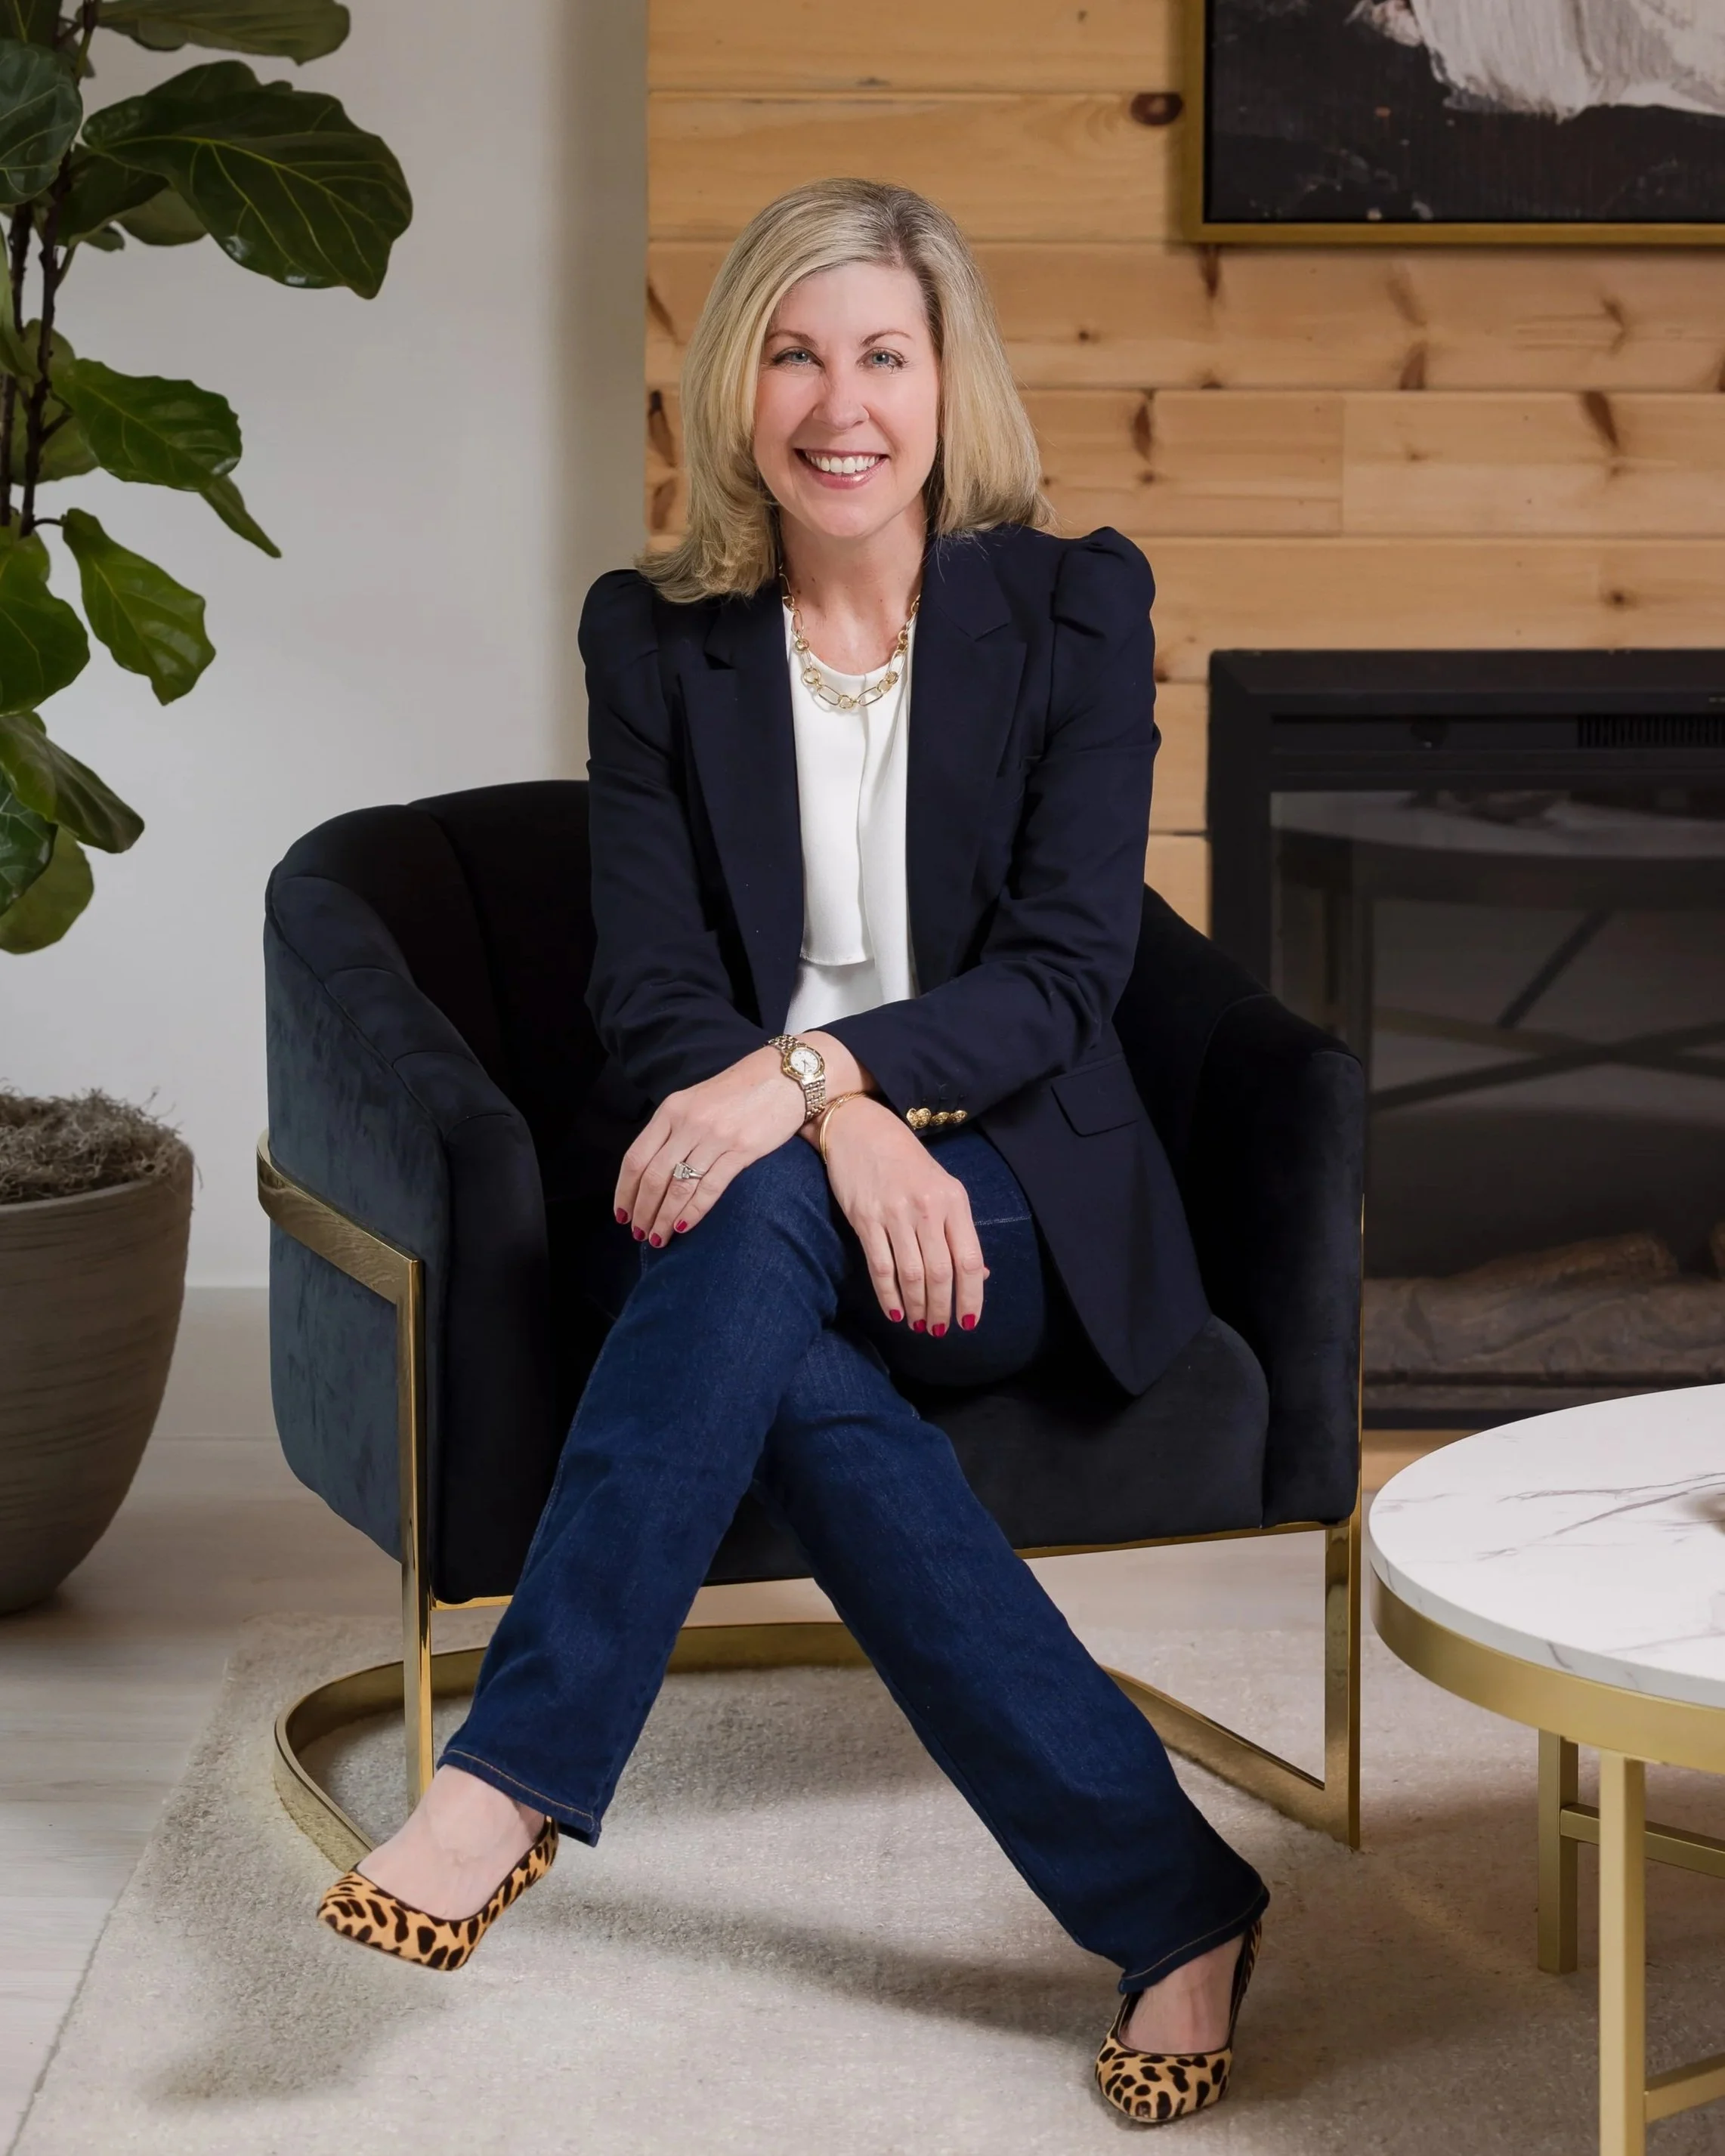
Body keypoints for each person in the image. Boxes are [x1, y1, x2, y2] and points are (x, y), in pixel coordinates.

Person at [314, 178, 1267, 2128]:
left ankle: (504, 1780)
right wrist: (823, 1128)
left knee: (744, 1237)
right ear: (736, 387)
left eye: (885, 356)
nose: (843, 405)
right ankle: (1178, 1906)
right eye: (796, 354)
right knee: (792, 1350)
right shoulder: (657, 639)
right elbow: (652, 984)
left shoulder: (1078, 610)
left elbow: (1067, 976)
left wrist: (825, 1087)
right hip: (743, 1181)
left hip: (1005, 1190)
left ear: (949, 382)